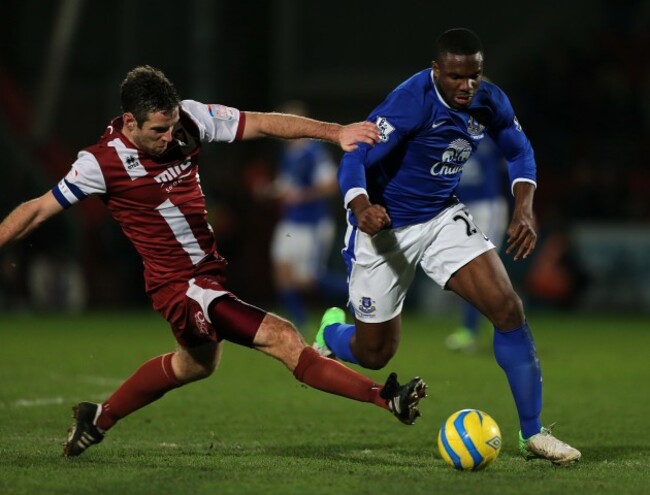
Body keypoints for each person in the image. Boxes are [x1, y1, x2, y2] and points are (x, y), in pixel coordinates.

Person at [0, 65, 427, 458]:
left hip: (205, 275)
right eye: (157, 130)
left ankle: (98, 418)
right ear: (129, 122)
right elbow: (38, 209)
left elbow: (261, 122)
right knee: (283, 337)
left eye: (171, 127)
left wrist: (336, 132)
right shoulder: (100, 162)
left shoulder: (189, 118)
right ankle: (385, 396)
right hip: (183, 287)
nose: (169, 138)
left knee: (195, 365)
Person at [312, 28, 581, 465]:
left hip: (441, 217)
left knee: (508, 309)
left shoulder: (489, 100)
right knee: (375, 353)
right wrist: (361, 206)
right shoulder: (409, 102)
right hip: (384, 228)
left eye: (474, 76)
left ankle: (532, 434)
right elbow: (355, 155)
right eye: (456, 77)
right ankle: (330, 332)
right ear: (436, 70)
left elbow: (519, 151)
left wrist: (525, 207)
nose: (466, 86)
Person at [257, 100, 347, 332]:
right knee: (280, 273)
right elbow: (288, 187)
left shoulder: (314, 152)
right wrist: (270, 190)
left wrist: (302, 196)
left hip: (312, 223)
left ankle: (360, 292)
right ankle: (299, 323)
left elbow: (329, 185)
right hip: (290, 222)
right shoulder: (289, 154)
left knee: (307, 280)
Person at [444, 135, 509, 352]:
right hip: (462, 208)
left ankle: (479, 330)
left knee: (482, 269)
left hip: (486, 206)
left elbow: (512, 164)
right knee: (470, 269)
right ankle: (499, 323)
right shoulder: (443, 136)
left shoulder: (486, 140)